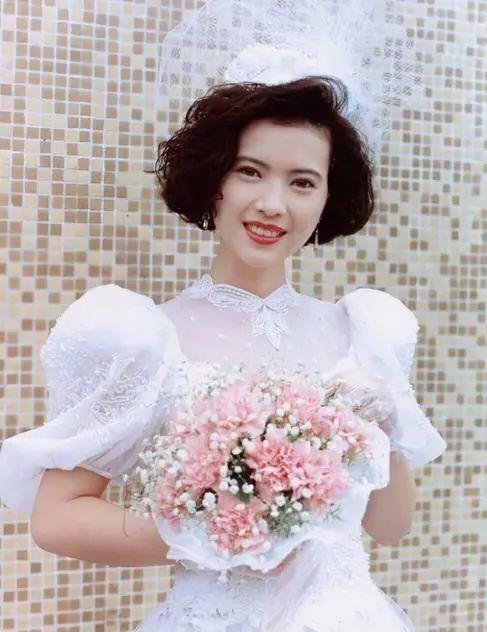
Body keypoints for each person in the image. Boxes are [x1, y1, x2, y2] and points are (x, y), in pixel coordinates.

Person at [0, 77, 447, 631]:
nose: (272, 204)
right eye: (250, 172)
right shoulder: (144, 337)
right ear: (215, 179)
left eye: (302, 182)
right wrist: (217, 535)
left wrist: (386, 425)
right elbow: (57, 518)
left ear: (327, 197)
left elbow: (390, 526)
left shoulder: (362, 332)